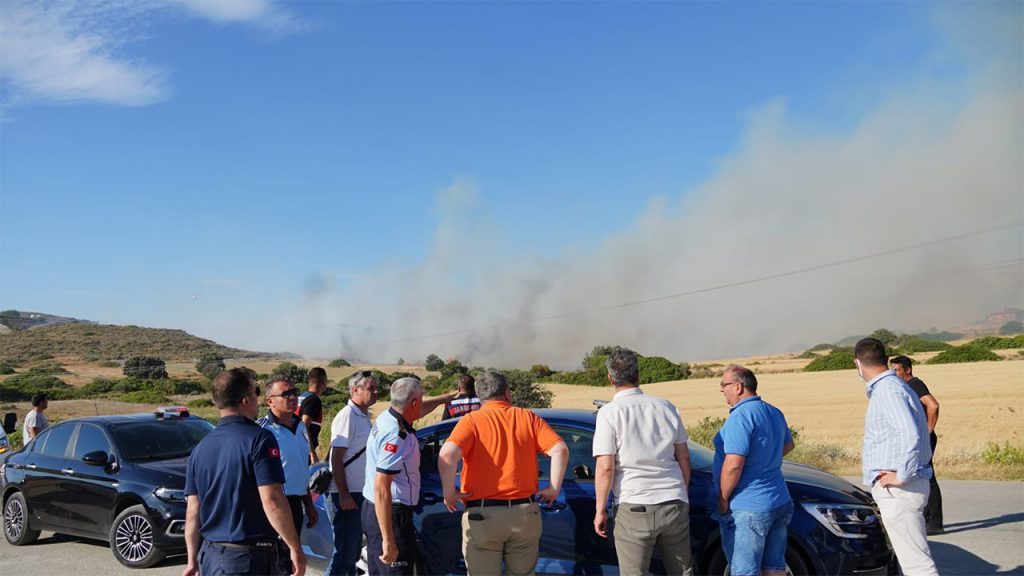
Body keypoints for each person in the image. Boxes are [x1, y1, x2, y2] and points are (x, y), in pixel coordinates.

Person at [438, 370, 568, 576]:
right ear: (507, 393)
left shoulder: (471, 421)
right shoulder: (528, 417)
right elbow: (560, 449)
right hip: (525, 512)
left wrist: (449, 492)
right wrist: (553, 488)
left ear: (480, 397)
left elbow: (447, 454)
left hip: (483, 515)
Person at [182, 368, 306, 576]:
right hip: (248, 558)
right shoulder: (260, 439)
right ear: (246, 400)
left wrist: (191, 559)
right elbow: (272, 499)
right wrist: (295, 547)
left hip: (211, 556)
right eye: (256, 392)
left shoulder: (201, 448)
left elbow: (193, 510)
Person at [592, 348, 694, 576]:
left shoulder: (609, 413)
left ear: (610, 378)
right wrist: (682, 491)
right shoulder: (666, 406)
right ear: (638, 375)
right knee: (683, 571)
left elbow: (606, 467)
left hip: (634, 505)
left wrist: (600, 510)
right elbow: (683, 456)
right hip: (673, 501)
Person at [855, 338, 938, 576]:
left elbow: (909, 434)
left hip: (900, 489)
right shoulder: (894, 387)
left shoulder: (887, 390)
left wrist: (901, 475)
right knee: (912, 559)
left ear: (858, 364)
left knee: (916, 564)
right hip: (903, 486)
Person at [362, 377, 453, 575]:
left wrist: (444, 399)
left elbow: (418, 410)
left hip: (375, 510)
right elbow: (381, 488)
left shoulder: (388, 416)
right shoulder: (396, 435)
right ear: (413, 403)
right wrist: (389, 539)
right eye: (420, 399)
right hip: (390, 514)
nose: (421, 404)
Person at [713, 365, 795, 576]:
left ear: (738, 387)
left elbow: (733, 464)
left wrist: (722, 499)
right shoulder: (773, 411)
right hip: (779, 499)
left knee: (744, 571)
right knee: (775, 568)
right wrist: (764, 461)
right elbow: (788, 445)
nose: (721, 389)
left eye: (724, 384)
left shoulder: (740, 417)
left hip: (749, 506)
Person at [325, 370, 379, 576]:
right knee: (344, 555)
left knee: (352, 553)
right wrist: (344, 494)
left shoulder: (363, 416)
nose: (375, 392)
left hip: (358, 493)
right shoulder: (347, 416)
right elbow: (336, 459)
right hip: (345, 495)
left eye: (376, 388)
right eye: (370, 388)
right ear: (355, 390)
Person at [257, 375, 319, 538]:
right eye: (286, 394)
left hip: (297, 502)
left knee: (293, 558)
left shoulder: (300, 426)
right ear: (270, 401)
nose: (292, 397)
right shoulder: (262, 431)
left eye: (294, 392)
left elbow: (301, 466)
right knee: (278, 559)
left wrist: (309, 504)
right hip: (276, 503)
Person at [891, 355, 943, 535]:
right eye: (892, 370)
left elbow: (933, 405)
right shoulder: (905, 385)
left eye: (897, 370)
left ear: (908, 369)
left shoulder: (915, 384)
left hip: (924, 437)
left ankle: (935, 523)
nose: (894, 373)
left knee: (928, 476)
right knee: (921, 475)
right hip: (919, 437)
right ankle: (927, 520)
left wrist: (928, 430)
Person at [297, 367, 327, 463]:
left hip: (295, 447)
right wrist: (312, 454)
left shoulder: (301, 396)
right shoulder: (314, 400)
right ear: (324, 381)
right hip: (304, 451)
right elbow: (304, 426)